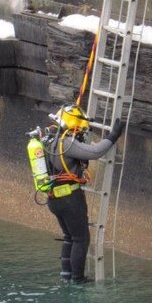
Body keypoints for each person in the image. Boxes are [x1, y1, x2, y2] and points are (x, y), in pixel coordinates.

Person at [43, 104, 125, 284]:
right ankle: (78, 279)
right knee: (81, 238)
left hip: (53, 198)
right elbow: (95, 152)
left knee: (69, 236)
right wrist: (113, 135)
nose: (81, 132)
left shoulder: (48, 140)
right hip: (70, 198)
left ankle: (66, 275)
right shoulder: (66, 143)